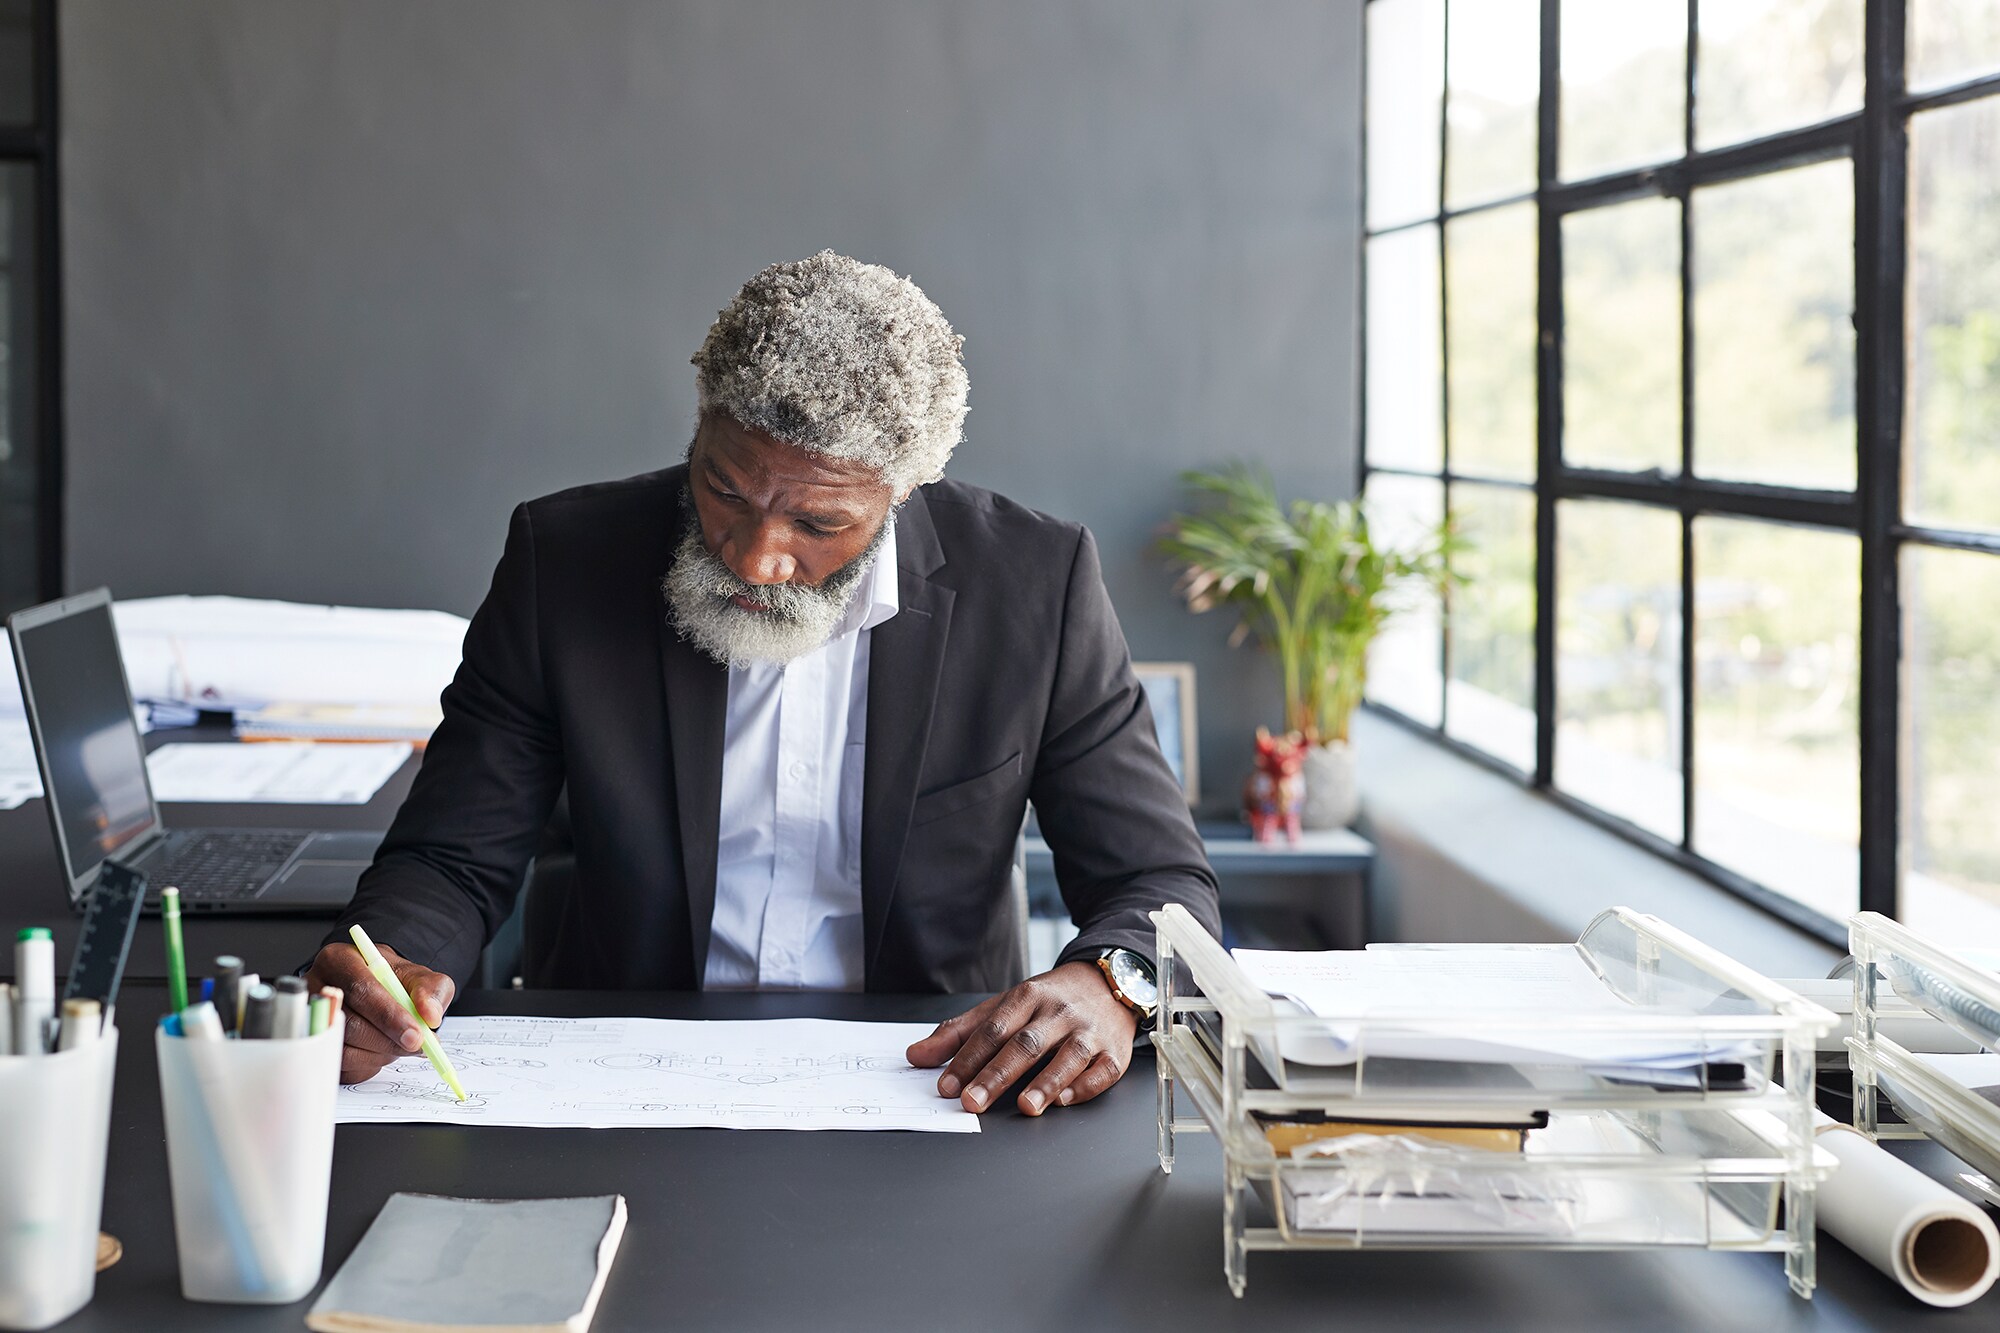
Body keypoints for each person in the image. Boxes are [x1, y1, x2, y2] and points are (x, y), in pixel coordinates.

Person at [306, 251, 1220, 1117]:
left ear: (903, 492)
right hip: (621, 1071)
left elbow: (1158, 879)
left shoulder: (1035, 587)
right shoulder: (566, 562)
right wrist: (389, 965)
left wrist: (1113, 982)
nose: (754, 557)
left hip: (932, 1078)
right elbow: (450, 857)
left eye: (817, 522)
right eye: (724, 489)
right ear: (700, 425)